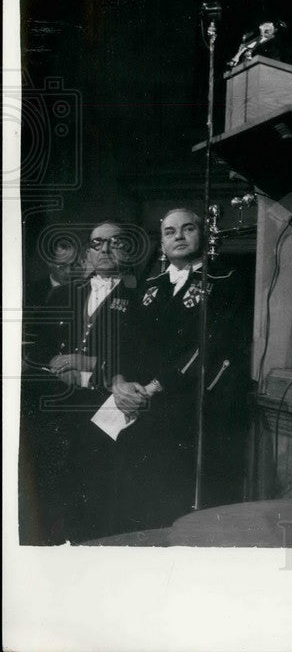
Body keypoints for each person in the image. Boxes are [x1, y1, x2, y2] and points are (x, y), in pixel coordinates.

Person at [90, 208, 251, 537]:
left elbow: (207, 349)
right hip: (136, 404)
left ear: (201, 236)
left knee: (173, 505)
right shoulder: (151, 286)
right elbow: (126, 342)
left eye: (187, 229)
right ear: (161, 244)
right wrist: (119, 383)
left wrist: (149, 389)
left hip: (188, 407)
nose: (178, 236)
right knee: (130, 495)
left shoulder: (223, 281)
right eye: (169, 232)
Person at [19, 220, 139, 544]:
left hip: (106, 412)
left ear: (126, 249)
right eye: (97, 243)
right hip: (59, 410)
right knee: (57, 500)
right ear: (88, 250)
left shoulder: (140, 297)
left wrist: (89, 364)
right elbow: (38, 350)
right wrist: (53, 367)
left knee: (101, 504)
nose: (104, 249)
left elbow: (142, 358)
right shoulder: (65, 295)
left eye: (114, 242)